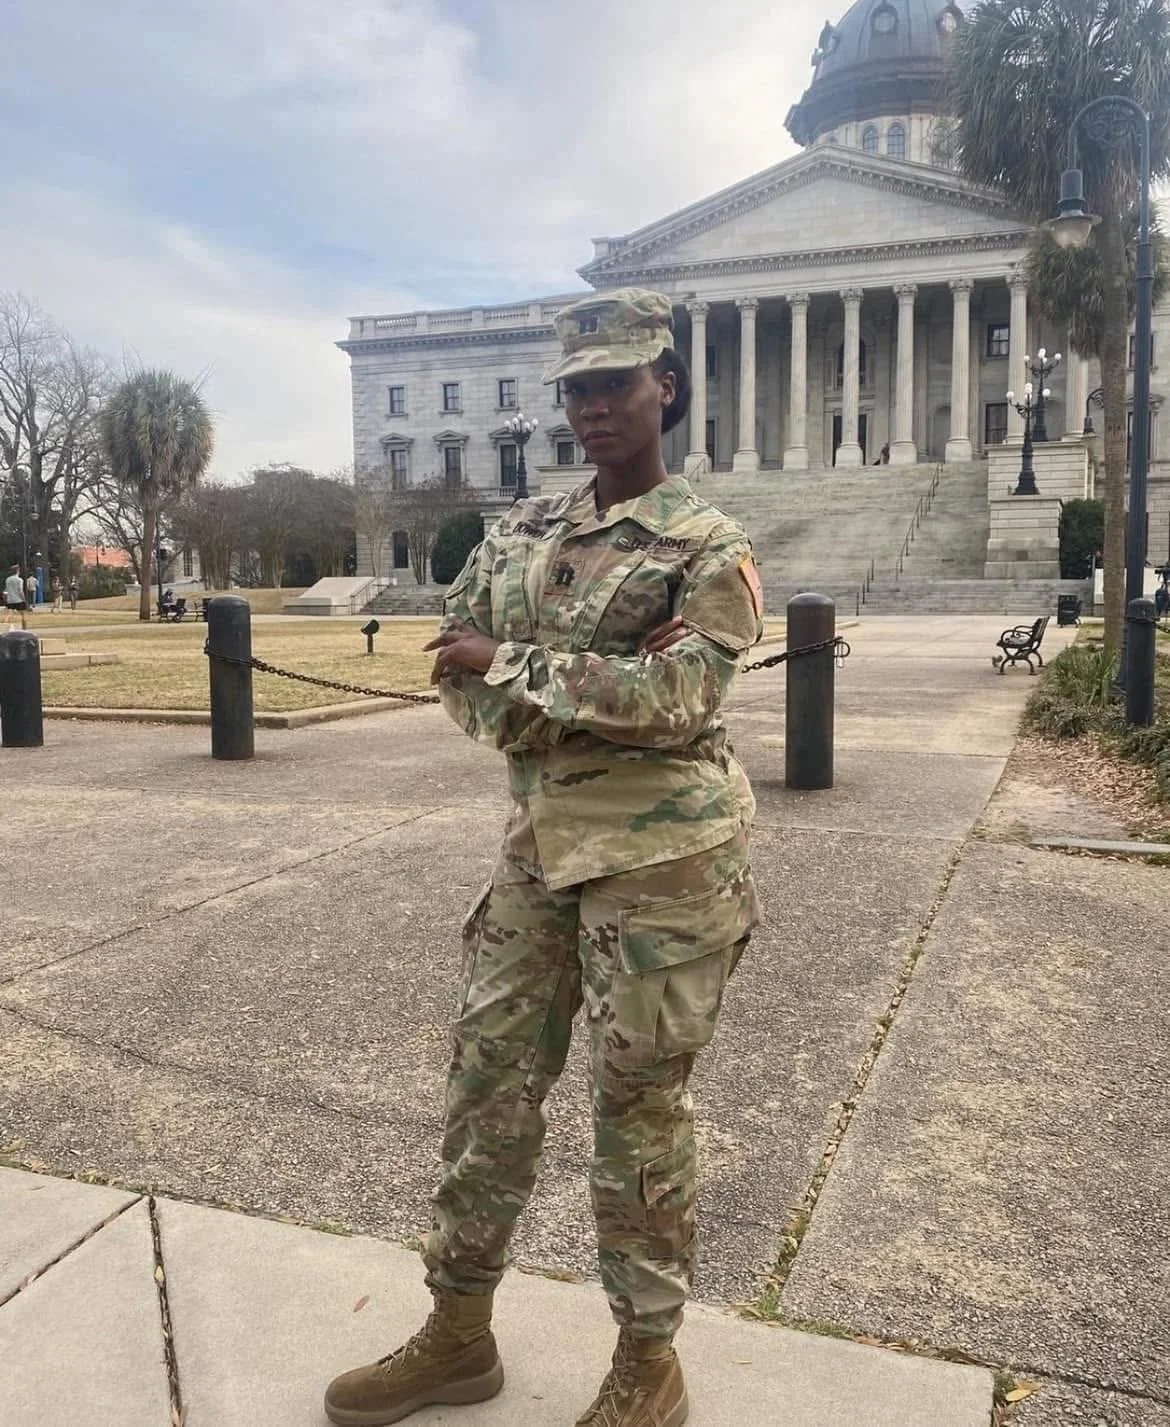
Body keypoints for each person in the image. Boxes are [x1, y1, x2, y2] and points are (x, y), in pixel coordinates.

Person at [324, 289, 762, 1427]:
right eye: (576, 385)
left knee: (639, 1110)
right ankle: (457, 1331)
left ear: (665, 384)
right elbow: (453, 670)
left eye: (615, 381)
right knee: (487, 1087)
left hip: (666, 865)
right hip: (537, 849)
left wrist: (513, 661)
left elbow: (681, 696)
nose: (592, 405)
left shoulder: (707, 544)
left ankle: (648, 1363)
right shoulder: (523, 532)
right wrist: (566, 681)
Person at [5, 565, 28, 630]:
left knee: (10, 614)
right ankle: (24, 629)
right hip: (18, 600)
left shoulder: (8, 579)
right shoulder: (19, 580)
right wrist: (24, 599)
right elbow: (20, 591)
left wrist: (6, 598)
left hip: (10, 599)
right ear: (18, 571)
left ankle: (7, 626)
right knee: (23, 615)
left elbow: (7, 589)